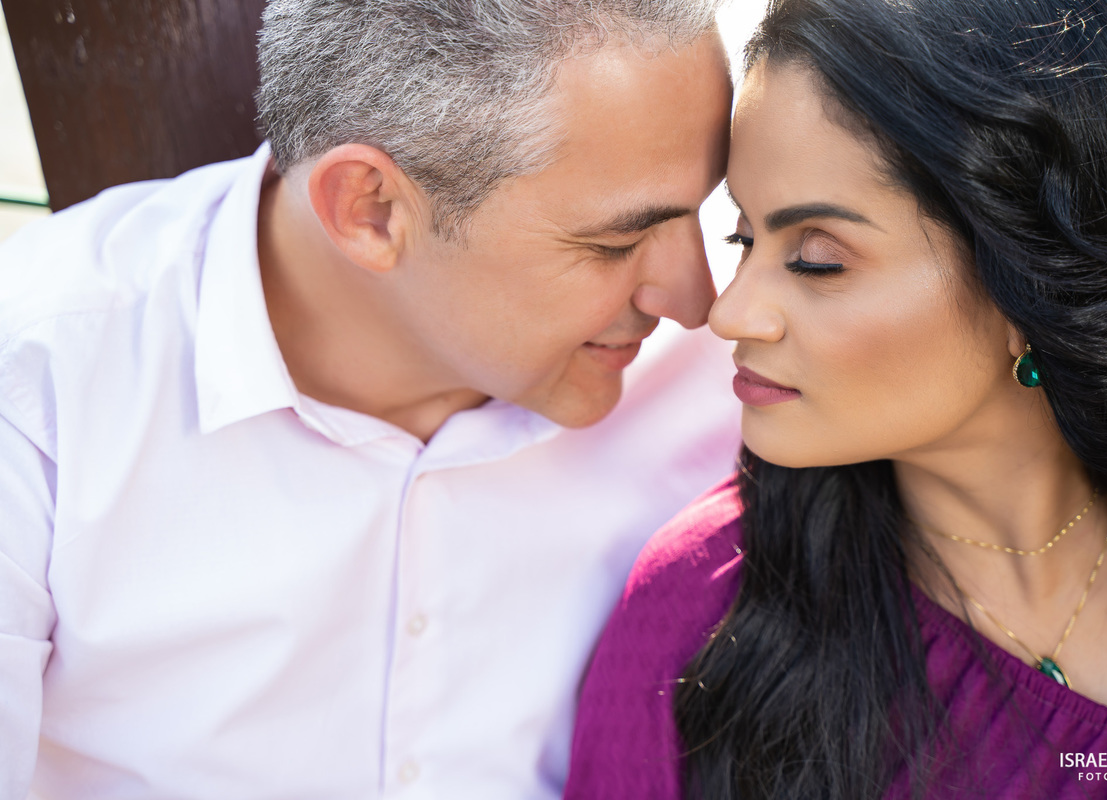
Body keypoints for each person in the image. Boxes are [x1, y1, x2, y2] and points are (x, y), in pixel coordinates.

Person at [0, 2, 743, 797]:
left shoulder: (739, 371)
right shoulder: (40, 383)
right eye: (616, 244)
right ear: (370, 209)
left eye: (709, 217)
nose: (699, 302)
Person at [565, 0, 1107, 797]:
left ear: (1029, 280)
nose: (728, 311)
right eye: (746, 239)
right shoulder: (700, 619)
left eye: (819, 260)